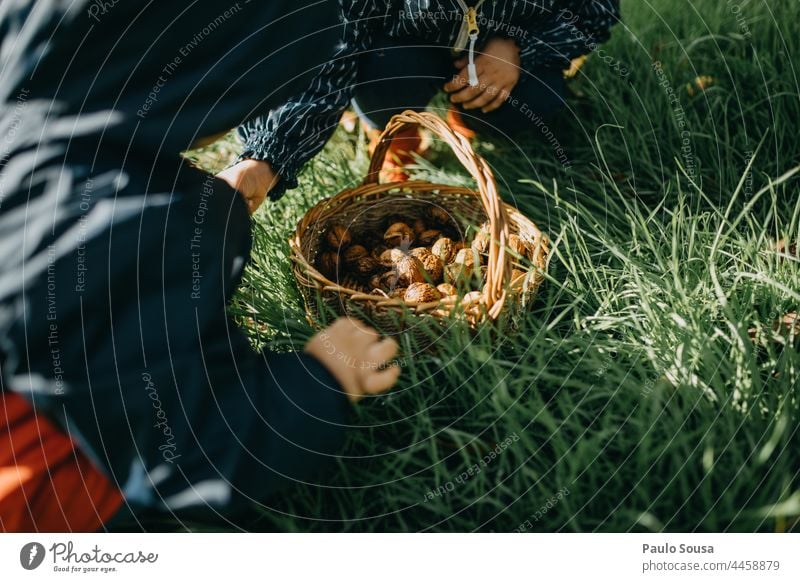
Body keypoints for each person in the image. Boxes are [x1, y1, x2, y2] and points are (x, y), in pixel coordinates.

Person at [0, 1, 398, 532]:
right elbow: (193, 449)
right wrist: (321, 378)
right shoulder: (107, 241)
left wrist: (216, 213)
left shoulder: (40, 147)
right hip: (58, 502)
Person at [219, 0, 620, 209]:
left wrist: (520, 48)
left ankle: (466, 119)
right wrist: (267, 159)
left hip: (500, 54)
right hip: (406, 47)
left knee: (535, 98)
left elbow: (597, 10)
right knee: (379, 82)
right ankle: (398, 139)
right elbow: (334, 49)